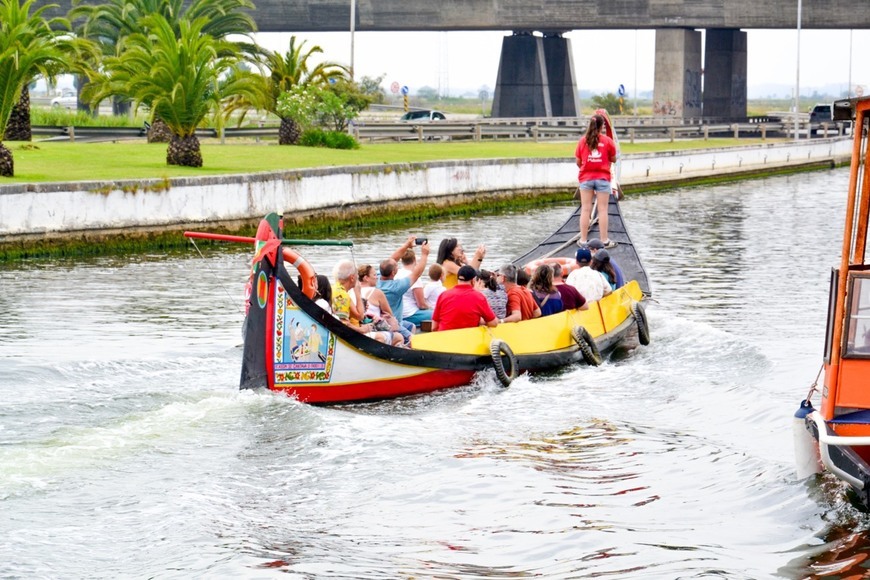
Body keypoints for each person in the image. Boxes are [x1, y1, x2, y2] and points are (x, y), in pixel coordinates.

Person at [575, 114, 618, 249]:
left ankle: (583, 240)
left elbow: (578, 161)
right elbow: (613, 159)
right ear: (602, 126)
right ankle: (604, 240)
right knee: (603, 209)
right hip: (603, 178)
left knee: (586, 209)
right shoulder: (608, 141)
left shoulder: (582, 141)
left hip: (586, 178)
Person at [378, 237, 431, 341]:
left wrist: (407, 245)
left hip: (398, 320)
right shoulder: (396, 287)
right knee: (414, 339)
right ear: (393, 273)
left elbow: (392, 259)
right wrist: (425, 254)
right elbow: (417, 273)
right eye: (396, 267)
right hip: (392, 324)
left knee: (411, 326)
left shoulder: (376, 278)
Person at [331, 259, 388, 342]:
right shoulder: (341, 295)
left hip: (352, 328)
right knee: (381, 337)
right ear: (352, 278)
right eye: (357, 276)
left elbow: (359, 315)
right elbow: (343, 323)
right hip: (346, 336)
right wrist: (362, 330)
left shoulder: (338, 289)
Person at [431, 265, 497, 331]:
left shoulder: (443, 295)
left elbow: (434, 327)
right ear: (473, 280)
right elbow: (494, 323)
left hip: (444, 338)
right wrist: (480, 321)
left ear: (457, 279)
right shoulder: (479, 297)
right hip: (468, 339)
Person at [357, 264, 405, 347]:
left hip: (361, 325)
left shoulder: (354, 291)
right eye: (374, 275)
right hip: (374, 328)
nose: (377, 277)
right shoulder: (377, 292)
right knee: (400, 337)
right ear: (366, 278)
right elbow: (390, 314)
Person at [395, 248, 433, 328]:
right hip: (410, 314)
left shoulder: (396, 273)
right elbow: (421, 305)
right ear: (415, 260)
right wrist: (431, 307)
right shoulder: (414, 277)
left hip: (398, 313)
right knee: (437, 314)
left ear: (402, 261)